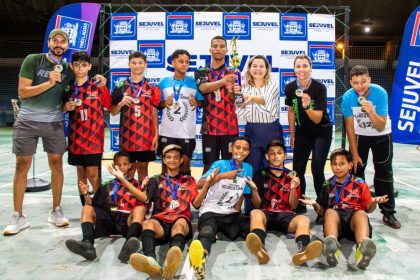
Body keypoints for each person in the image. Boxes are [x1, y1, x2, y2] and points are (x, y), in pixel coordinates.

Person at [3, 29, 72, 235]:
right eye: (55, 40)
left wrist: (66, 106)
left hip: (54, 123)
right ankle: (18, 216)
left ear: (67, 46)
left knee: (56, 165)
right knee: (22, 165)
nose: (59, 44)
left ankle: (56, 211)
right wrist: (49, 82)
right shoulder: (33, 60)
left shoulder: (67, 69)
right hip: (27, 121)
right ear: (49, 43)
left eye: (63, 41)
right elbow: (22, 92)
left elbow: (63, 98)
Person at [300, 148, 389, 269]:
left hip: (354, 222)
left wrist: (373, 202)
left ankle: (362, 250)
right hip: (336, 223)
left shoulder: (360, 183)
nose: (337, 167)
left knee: (361, 214)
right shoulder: (327, 184)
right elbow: (321, 211)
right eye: (334, 164)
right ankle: (332, 248)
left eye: (342, 164)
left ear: (350, 165)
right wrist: (315, 204)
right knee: (330, 212)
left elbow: (369, 209)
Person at [188, 136, 259, 280]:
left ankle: (221, 234)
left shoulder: (248, 168)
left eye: (245, 149)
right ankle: (201, 260)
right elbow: (199, 184)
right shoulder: (220, 164)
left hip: (230, 213)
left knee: (250, 226)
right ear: (230, 149)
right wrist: (221, 176)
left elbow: (241, 194)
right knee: (207, 231)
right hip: (210, 211)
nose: (241, 151)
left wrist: (236, 214)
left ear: (249, 152)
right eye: (238, 147)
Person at [341, 65, 400, 229]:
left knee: (384, 173)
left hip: (382, 136)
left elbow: (380, 126)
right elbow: (349, 126)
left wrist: (370, 111)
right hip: (361, 137)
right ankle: (357, 209)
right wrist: (353, 152)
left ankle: (388, 213)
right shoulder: (347, 97)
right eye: (355, 83)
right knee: (356, 171)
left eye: (363, 81)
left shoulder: (380, 93)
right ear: (351, 83)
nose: (360, 86)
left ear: (369, 80)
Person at [246, 140, 322, 266]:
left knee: (304, 219)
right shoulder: (260, 174)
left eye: (280, 153)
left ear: (285, 156)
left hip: (286, 215)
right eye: (272, 153)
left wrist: (293, 188)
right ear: (267, 156)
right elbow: (257, 205)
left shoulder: (293, 175)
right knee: (255, 213)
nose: (276, 156)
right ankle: (260, 248)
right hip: (267, 214)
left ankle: (303, 251)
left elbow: (293, 206)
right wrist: (254, 190)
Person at [129, 144, 198, 280]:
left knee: (180, 224)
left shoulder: (189, 180)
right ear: (164, 160)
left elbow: (196, 203)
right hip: (161, 221)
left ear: (181, 160)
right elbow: (146, 201)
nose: (172, 160)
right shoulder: (155, 180)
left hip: (180, 219)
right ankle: (151, 261)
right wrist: (143, 188)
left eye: (175, 157)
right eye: (168, 157)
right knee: (148, 223)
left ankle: (171, 261)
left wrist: (207, 184)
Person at [65, 151, 147, 263]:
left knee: (140, 209)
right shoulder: (107, 185)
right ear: (114, 166)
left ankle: (128, 245)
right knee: (86, 208)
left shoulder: (137, 184)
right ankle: (87, 245)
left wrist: (124, 179)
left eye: (125, 164)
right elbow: (93, 205)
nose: (122, 167)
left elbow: (144, 200)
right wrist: (85, 194)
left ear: (130, 166)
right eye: (119, 165)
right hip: (109, 218)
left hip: (127, 220)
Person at [285, 54, 332, 213]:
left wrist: (307, 107)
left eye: (305, 66)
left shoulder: (319, 88)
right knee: (297, 169)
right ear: (294, 69)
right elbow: (291, 111)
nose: (302, 69)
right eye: (298, 66)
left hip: (321, 131)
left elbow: (318, 119)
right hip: (302, 132)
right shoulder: (291, 88)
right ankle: (301, 202)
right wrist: (292, 134)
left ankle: (322, 206)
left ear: (310, 68)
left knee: (317, 168)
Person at [63, 51, 112, 205]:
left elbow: (109, 105)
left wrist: (104, 87)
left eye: (84, 65)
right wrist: (65, 107)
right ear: (72, 66)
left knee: (93, 175)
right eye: (76, 65)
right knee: (81, 175)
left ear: (90, 66)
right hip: (75, 138)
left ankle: (100, 208)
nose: (80, 68)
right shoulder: (67, 86)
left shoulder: (97, 85)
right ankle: (86, 206)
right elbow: (60, 108)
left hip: (93, 139)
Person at [110, 51, 161, 183]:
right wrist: (121, 103)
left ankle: (143, 200)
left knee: (143, 169)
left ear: (145, 65)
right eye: (134, 63)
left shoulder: (152, 87)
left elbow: (154, 112)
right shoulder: (120, 87)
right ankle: (127, 200)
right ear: (129, 64)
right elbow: (113, 112)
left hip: (146, 137)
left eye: (140, 63)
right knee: (128, 170)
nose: (137, 66)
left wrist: (156, 134)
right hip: (128, 138)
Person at [195, 36, 239, 174]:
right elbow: (203, 88)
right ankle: (205, 195)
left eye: (221, 46)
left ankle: (232, 196)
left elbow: (238, 100)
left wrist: (232, 92)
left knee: (232, 166)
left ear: (226, 50)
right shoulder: (201, 71)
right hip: (210, 128)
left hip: (230, 128)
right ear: (210, 49)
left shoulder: (234, 73)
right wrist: (223, 81)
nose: (218, 49)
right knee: (209, 166)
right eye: (215, 46)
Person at [158, 49, 203, 175]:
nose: (184, 64)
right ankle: (164, 194)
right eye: (181, 61)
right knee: (166, 169)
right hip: (168, 132)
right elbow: (156, 105)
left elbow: (203, 102)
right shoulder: (163, 82)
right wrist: (163, 103)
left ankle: (186, 194)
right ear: (173, 62)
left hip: (186, 133)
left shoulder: (194, 82)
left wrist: (197, 102)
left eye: (187, 62)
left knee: (185, 167)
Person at [236, 55, 284, 173]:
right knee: (252, 169)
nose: (258, 69)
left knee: (273, 168)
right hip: (252, 131)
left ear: (267, 69)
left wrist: (250, 98)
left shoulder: (274, 85)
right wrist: (236, 94)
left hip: (271, 131)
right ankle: (253, 192)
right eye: (255, 66)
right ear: (249, 68)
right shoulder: (243, 87)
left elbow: (264, 99)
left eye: (261, 66)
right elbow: (239, 108)